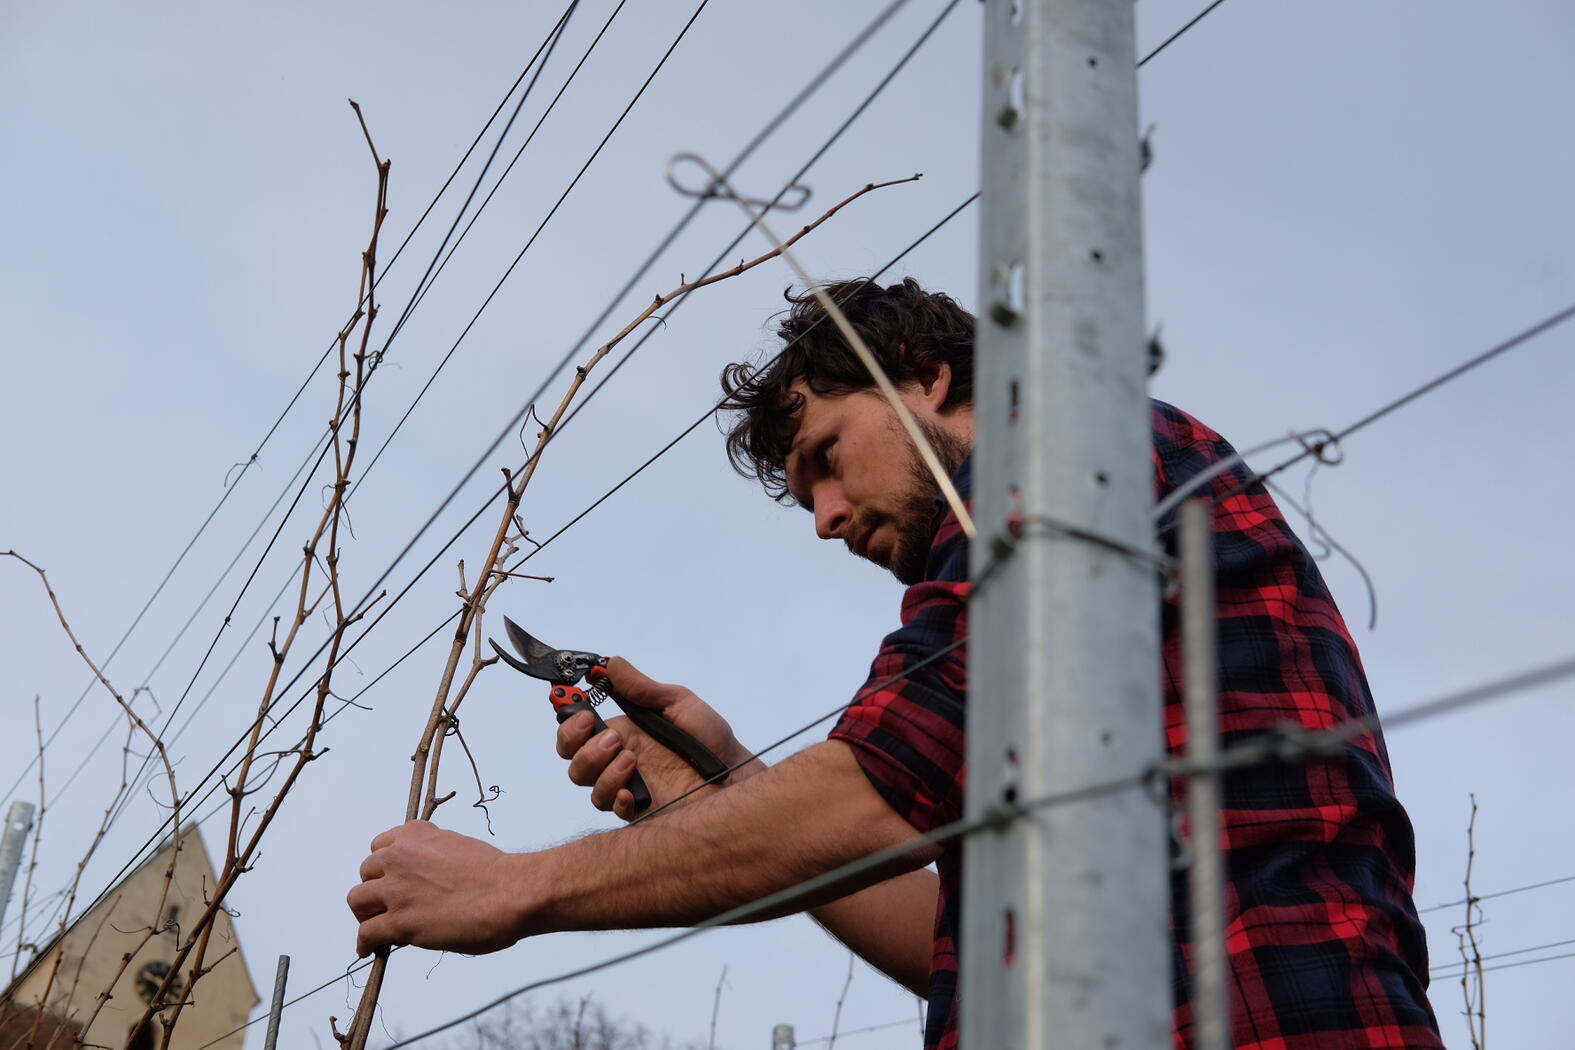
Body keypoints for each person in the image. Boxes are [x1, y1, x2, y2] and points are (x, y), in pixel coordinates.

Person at [347, 278, 1444, 1048]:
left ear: (926, 376)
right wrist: (731, 781)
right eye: (802, 497)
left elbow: (878, 795)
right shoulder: (1043, 613)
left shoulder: (1070, 461)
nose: (824, 517)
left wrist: (514, 888)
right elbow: (959, 946)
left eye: (826, 457)